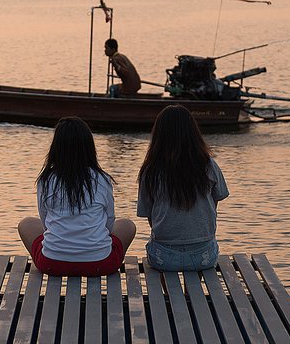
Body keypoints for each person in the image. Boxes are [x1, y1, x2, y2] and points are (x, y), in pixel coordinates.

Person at [18, 117, 137, 276]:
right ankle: (93, 252)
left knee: (26, 224)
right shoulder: (102, 179)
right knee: (127, 225)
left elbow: (45, 221)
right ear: (89, 147)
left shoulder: (46, 180)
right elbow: (109, 222)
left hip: (52, 264)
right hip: (101, 264)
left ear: (56, 148)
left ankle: (60, 253)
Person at [136, 105, 229, 271]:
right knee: (202, 249)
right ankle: (190, 294)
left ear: (158, 135)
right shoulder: (208, 165)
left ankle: (168, 295)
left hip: (164, 257)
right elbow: (214, 203)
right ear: (193, 133)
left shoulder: (151, 170)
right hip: (203, 256)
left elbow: (149, 215)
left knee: (157, 247)